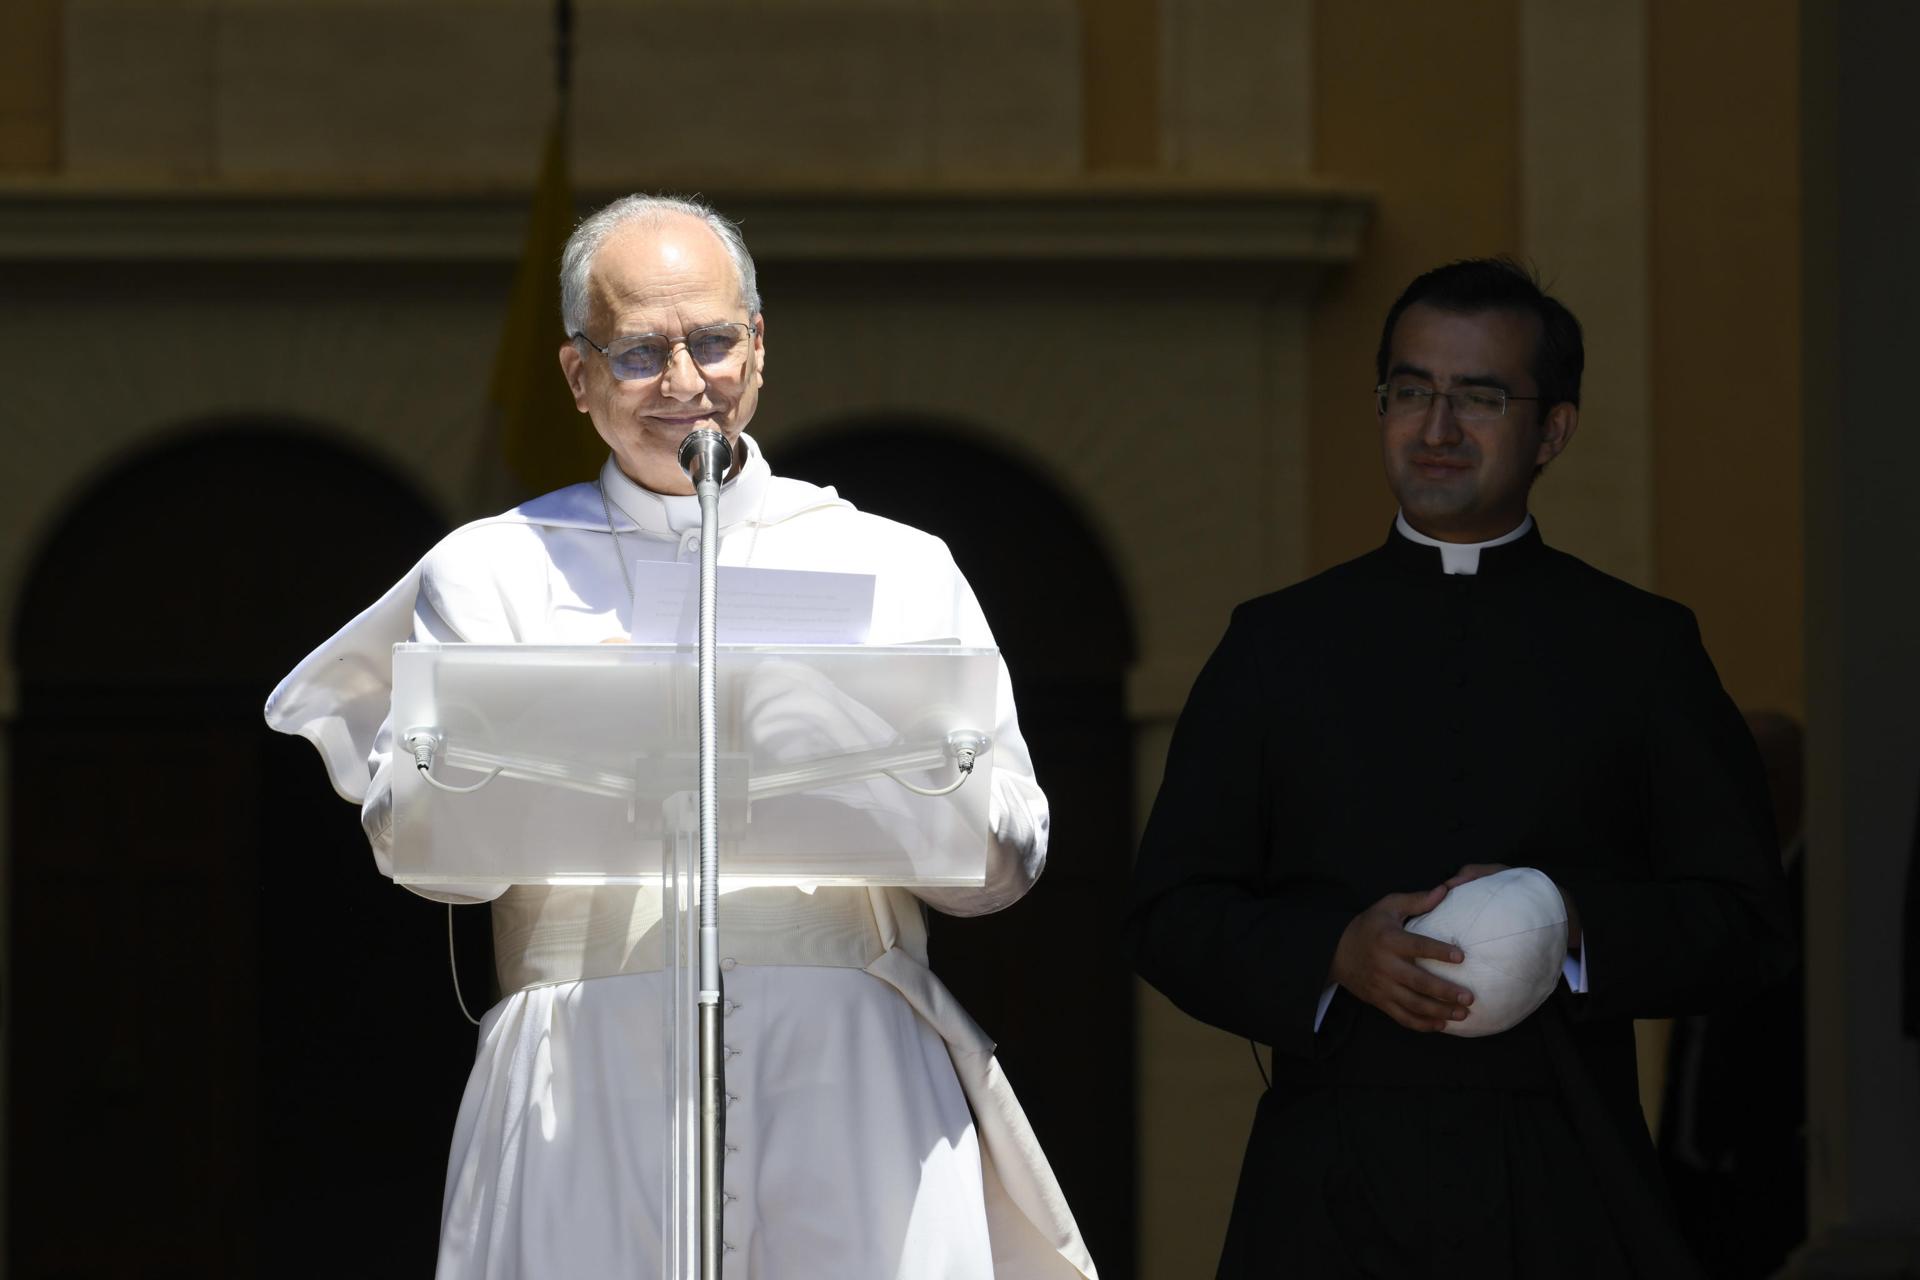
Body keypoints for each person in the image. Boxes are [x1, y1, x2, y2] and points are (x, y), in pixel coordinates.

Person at [266, 194, 1096, 1279]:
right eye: (638, 353)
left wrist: (858, 745)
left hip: (847, 1077)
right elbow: (441, 867)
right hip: (582, 1075)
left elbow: (1000, 870)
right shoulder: (491, 568)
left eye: (712, 341)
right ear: (577, 375)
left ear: (759, 345)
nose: (685, 381)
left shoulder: (895, 563)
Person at [1125, 258, 1793, 1277]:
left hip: (1564, 1174)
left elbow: (1748, 922)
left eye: (1479, 397)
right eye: (1410, 390)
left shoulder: (1642, 648)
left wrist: (1569, 924)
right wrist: (1333, 954)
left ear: (1553, 430)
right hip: (1329, 1183)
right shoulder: (1275, 645)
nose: (1436, 428)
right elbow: (1168, 911)